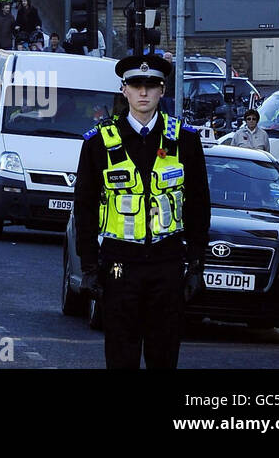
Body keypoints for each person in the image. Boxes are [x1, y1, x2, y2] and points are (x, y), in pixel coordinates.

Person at [73, 54, 210, 369]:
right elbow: (85, 208)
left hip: (167, 264)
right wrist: (90, 267)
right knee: (121, 355)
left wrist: (196, 265)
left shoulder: (185, 141)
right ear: (124, 90)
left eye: (152, 85)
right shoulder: (98, 143)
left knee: (164, 356)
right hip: (120, 266)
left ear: (163, 91)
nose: (143, 92)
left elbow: (199, 206)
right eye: (136, 85)